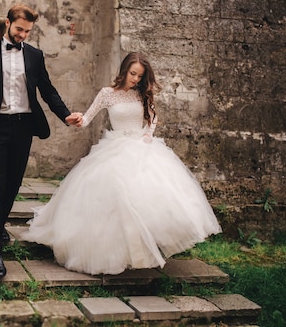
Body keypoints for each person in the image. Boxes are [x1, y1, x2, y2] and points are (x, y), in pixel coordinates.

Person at [21, 52, 222, 275]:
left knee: (147, 197)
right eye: (133, 73)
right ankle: (118, 252)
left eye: (140, 76)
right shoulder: (107, 93)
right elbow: (88, 118)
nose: (136, 79)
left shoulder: (141, 94)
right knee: (115, 195)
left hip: (142, 146)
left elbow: (153, 117)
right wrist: (76, 119)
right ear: (124, 70)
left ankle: (142, 250)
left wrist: (148, 134)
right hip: (115, 148)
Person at [0, 4, 82, 280]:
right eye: (19, 29)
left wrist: (65, 115)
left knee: (14, 182)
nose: (22, 35)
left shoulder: (35, 56)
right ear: (7, 23)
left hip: (23, 127)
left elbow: (47, 90)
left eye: (27, 31)